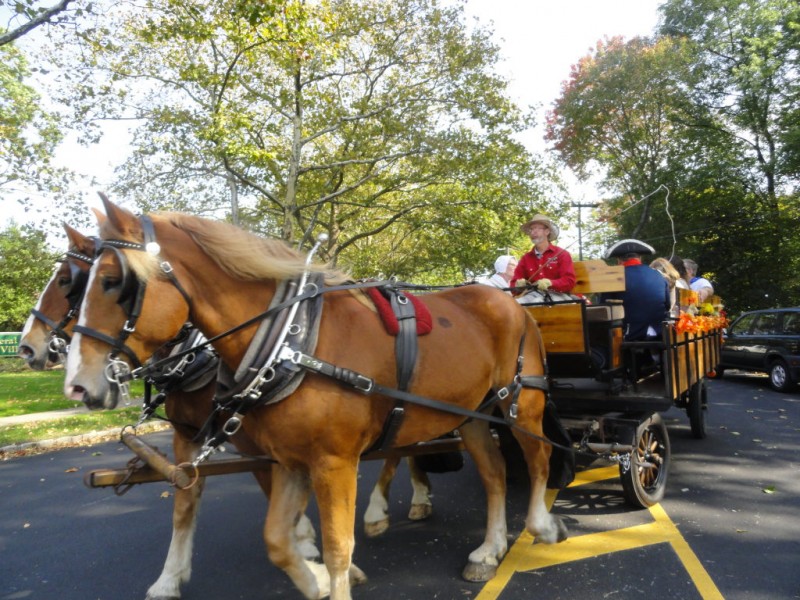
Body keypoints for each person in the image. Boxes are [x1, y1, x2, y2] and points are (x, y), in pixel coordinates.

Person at [600, 239, 670, 341]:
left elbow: (605, 309)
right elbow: (667, 305)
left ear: (619, 260)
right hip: (659, 332)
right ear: (640, 258)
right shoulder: (658, 274)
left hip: (630, 335)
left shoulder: (614, 277)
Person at [511, 214, 575, 294]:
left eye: (537, 228)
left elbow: (569, 281)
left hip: (558, 295)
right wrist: (517, 285)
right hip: (531, 296)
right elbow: (513, 285)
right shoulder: (526, 258)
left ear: (547, 231)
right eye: (531, 229)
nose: (533, 232)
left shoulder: (562, 254)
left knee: (531, 303)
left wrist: (551, 283)